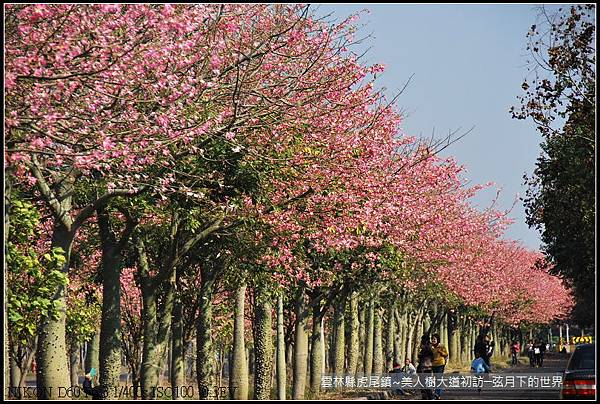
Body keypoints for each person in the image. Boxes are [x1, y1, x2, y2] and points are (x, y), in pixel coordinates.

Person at [431, 333, 448, 399]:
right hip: (434, 365)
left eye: (435, 339)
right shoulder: (431, 347)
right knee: (436, 379)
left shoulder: (441, 346)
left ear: (438, 340)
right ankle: (438, 393)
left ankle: (437, 393)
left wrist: (441, 352)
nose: (433, 340)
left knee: (439, 378)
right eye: (432, 339)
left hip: (441, 364)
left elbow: (446, 354)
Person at [417, 334, 434, 400]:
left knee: (425, 383)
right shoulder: (429, 347)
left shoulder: (426, 348)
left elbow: (421, 356)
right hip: (426, 368)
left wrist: (420, 355)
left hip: (424, 368)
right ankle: (426, 397)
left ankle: (430, 397)